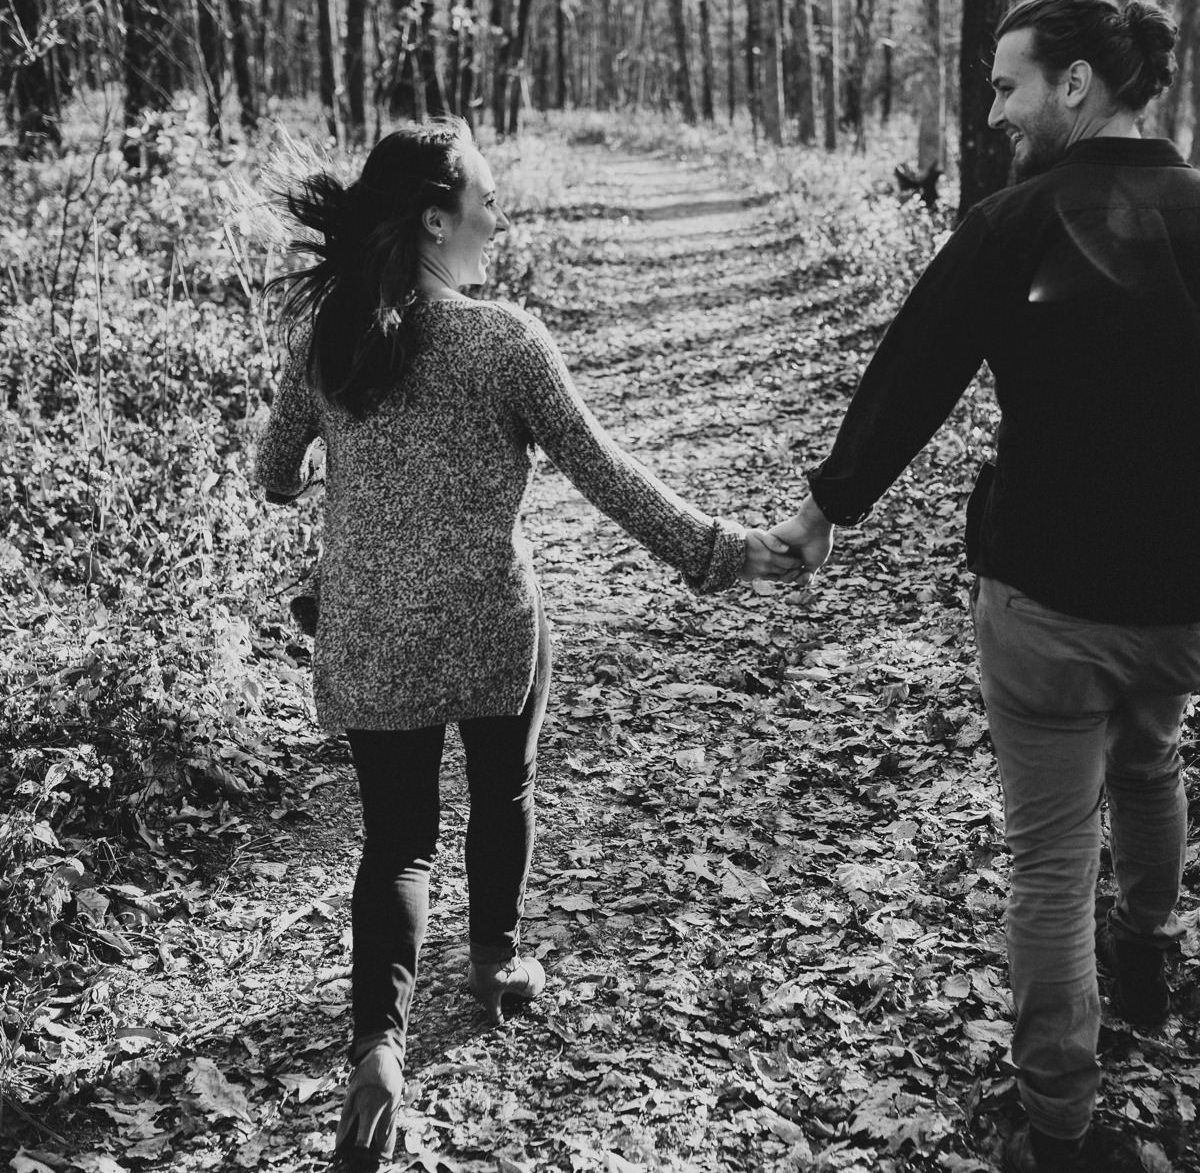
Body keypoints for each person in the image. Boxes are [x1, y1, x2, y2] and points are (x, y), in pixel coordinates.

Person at [768, 0, 1200, 1172]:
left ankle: (1063, 1128)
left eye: (1007, 87)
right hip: (1179, 603)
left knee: (1045, 859)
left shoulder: (1014, 223)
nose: (996, 115)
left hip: (1040, 603)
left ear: (1076, 85)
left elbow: (912, 374)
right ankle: (1145, 940)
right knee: (1150, 759)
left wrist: (828, 508)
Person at [254, 120, 798, 1168]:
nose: (499, 218)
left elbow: (274, 469)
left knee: (396, 841)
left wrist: (338, 481)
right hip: (493, 628)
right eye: (487, 200)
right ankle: (496, 967)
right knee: (501, 792)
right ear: (435, 218)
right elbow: (608, 476)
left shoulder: (328, 338)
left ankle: (378, 1047)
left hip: (368, 633)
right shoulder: (507, 340)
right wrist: (726, 550)